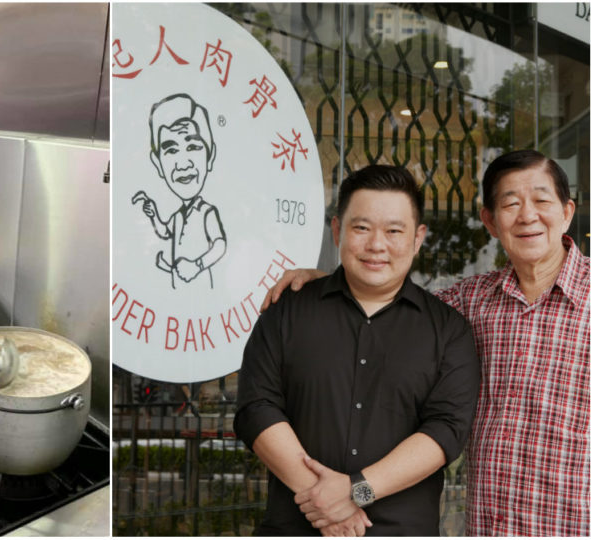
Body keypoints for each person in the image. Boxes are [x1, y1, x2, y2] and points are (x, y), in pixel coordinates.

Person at [261, 150, 589, 536]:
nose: (528, 216)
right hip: (490, 528)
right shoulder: (471, 302)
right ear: (490, 221)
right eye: (510, 204)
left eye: (541, 201)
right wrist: (327, 281)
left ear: (566, 212)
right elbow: (387, 294)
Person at [235, 165, 479, 536]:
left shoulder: (449, 330)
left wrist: (355, 492)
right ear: (337, 230)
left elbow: (445, 430)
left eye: (394, 231)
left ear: (417, 238)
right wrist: (323, 500)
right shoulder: (288, 309)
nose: (376, 245)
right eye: (361, 228)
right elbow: (257, 407)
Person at [131, 93, 227, 289]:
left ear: (210, 157)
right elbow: (166, 232)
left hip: (203, 295)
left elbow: (220, 245)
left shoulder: (206, 211)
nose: (183, 164)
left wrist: (196, 266)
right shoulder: (178, 215)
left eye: (193, 146)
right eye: (172, 150)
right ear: (157, 163)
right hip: (178, 292)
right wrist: (153, 213)